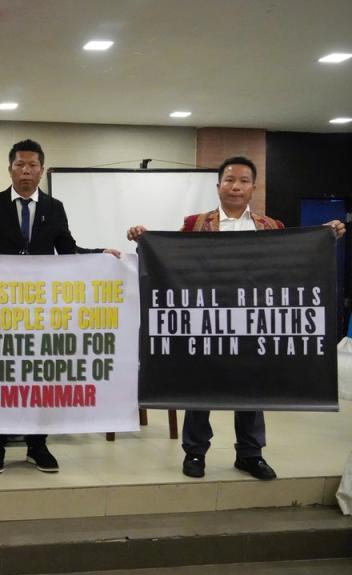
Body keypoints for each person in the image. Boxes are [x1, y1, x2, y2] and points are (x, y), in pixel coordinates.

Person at [127, 155, 346, 480]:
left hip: (254, 321)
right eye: (229, 180)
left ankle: (250, 453)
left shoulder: (271, 227)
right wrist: (144, 238)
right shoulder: (195, 223)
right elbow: (172, 259)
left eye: (243, 180)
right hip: (206, 321)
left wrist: (326, 236)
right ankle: (195, 453)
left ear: (253, 188)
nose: (236, 186)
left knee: (253, 386)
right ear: (218, 186)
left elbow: (290, 266)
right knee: (199, 387)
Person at [0, 139, 120, 474]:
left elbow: (68, 250)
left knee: (40, 378)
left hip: (42, 310)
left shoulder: (54, 206)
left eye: (32, 166)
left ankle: (37, 444)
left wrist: (101, 256)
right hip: (3, 309)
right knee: (1, 377)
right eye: (19, 165)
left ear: (41, 170)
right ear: (10, 169)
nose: (26, 171)